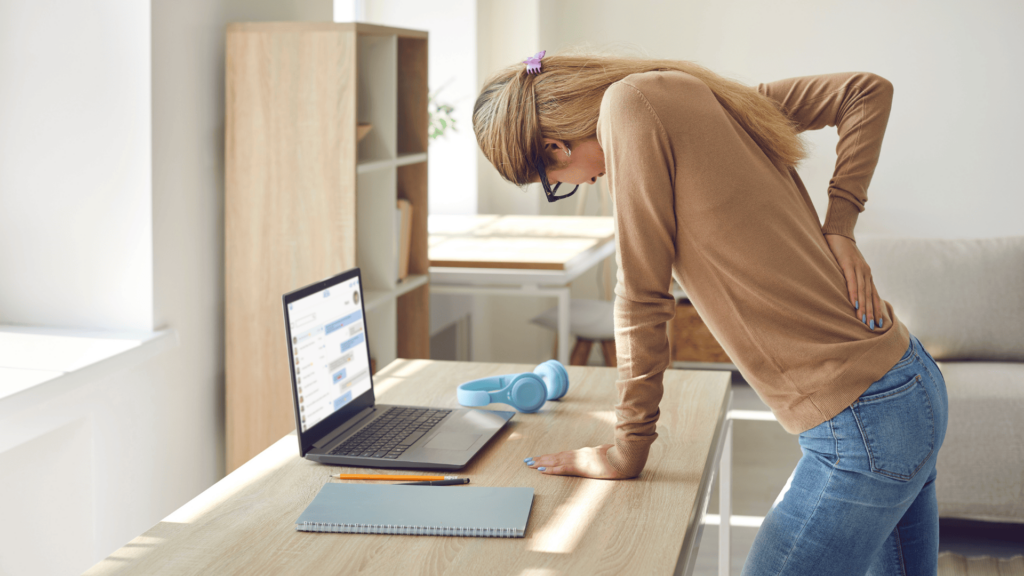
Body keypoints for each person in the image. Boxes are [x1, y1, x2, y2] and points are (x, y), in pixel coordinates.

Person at [473, 50, 948, 576]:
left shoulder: (627, 108)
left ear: (553, 146)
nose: (582, 185)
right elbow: (866, 90)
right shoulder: (695, 94)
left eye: (554, 181)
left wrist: (626, 450)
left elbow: (640, 297)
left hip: (864, 423)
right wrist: (841, 221)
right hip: (907, 383)